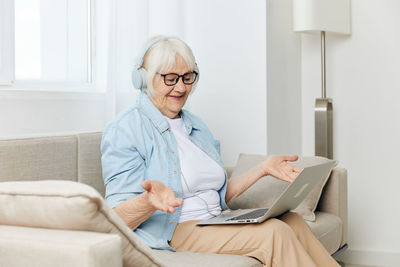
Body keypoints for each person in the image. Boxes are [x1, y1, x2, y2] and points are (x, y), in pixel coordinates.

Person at [101, 36, 340, 267]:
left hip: (214, 221)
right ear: (143, 79)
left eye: (187, 77)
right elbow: (116, 220)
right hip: (174, 230)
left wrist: (261, 169)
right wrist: (148, 201)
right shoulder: (125, 129)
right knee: (274, 232)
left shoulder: (195, 125)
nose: (181, 87)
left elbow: (218, 194)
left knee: (293, 221)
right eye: (170, 78)